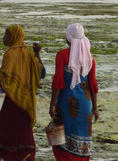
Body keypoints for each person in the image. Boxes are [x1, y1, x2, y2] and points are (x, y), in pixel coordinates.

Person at [0, 24, 45, 161]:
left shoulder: (10, 54)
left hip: (9, 104)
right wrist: (37, 54)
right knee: (23, 136)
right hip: (25, 104)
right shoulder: (29, 54)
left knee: (4, 134)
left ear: (14, 37)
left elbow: (3, 82)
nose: (4, 37)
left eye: (6, 35)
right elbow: (41, 73)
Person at [49, 23, 99, 161]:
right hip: (85, 106)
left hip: (67, 104)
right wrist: (94, 108)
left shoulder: (62, 55)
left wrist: (52, 105)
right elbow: (93, 85)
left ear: (69, 38)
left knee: (62, 140)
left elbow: (58, 83)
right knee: (83, 140)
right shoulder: (90, 58)